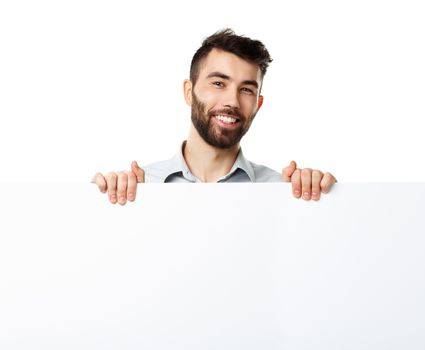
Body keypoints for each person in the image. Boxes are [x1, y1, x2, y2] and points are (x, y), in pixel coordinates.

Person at [92, 28, 337, 205]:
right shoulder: (139, 189)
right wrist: (100, 202)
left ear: (258, 104)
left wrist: (323, 199)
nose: (232, 101)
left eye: (246, 89)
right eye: (219, 83)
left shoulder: (282, 191)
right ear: (189, 92)